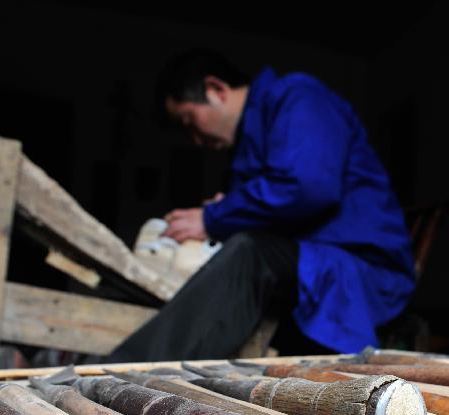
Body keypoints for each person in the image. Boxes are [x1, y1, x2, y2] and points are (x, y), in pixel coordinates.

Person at [107, 49, 415, 361]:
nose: (195, 139)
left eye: (189, 120)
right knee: (244, 252)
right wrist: (231, 209)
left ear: (216, 89)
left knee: (250, 252)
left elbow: (308, 188)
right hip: (308, 259)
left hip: (359, 268)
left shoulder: (298, 96)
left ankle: (120, 371)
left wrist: (214, 218)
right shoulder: (245, 150)